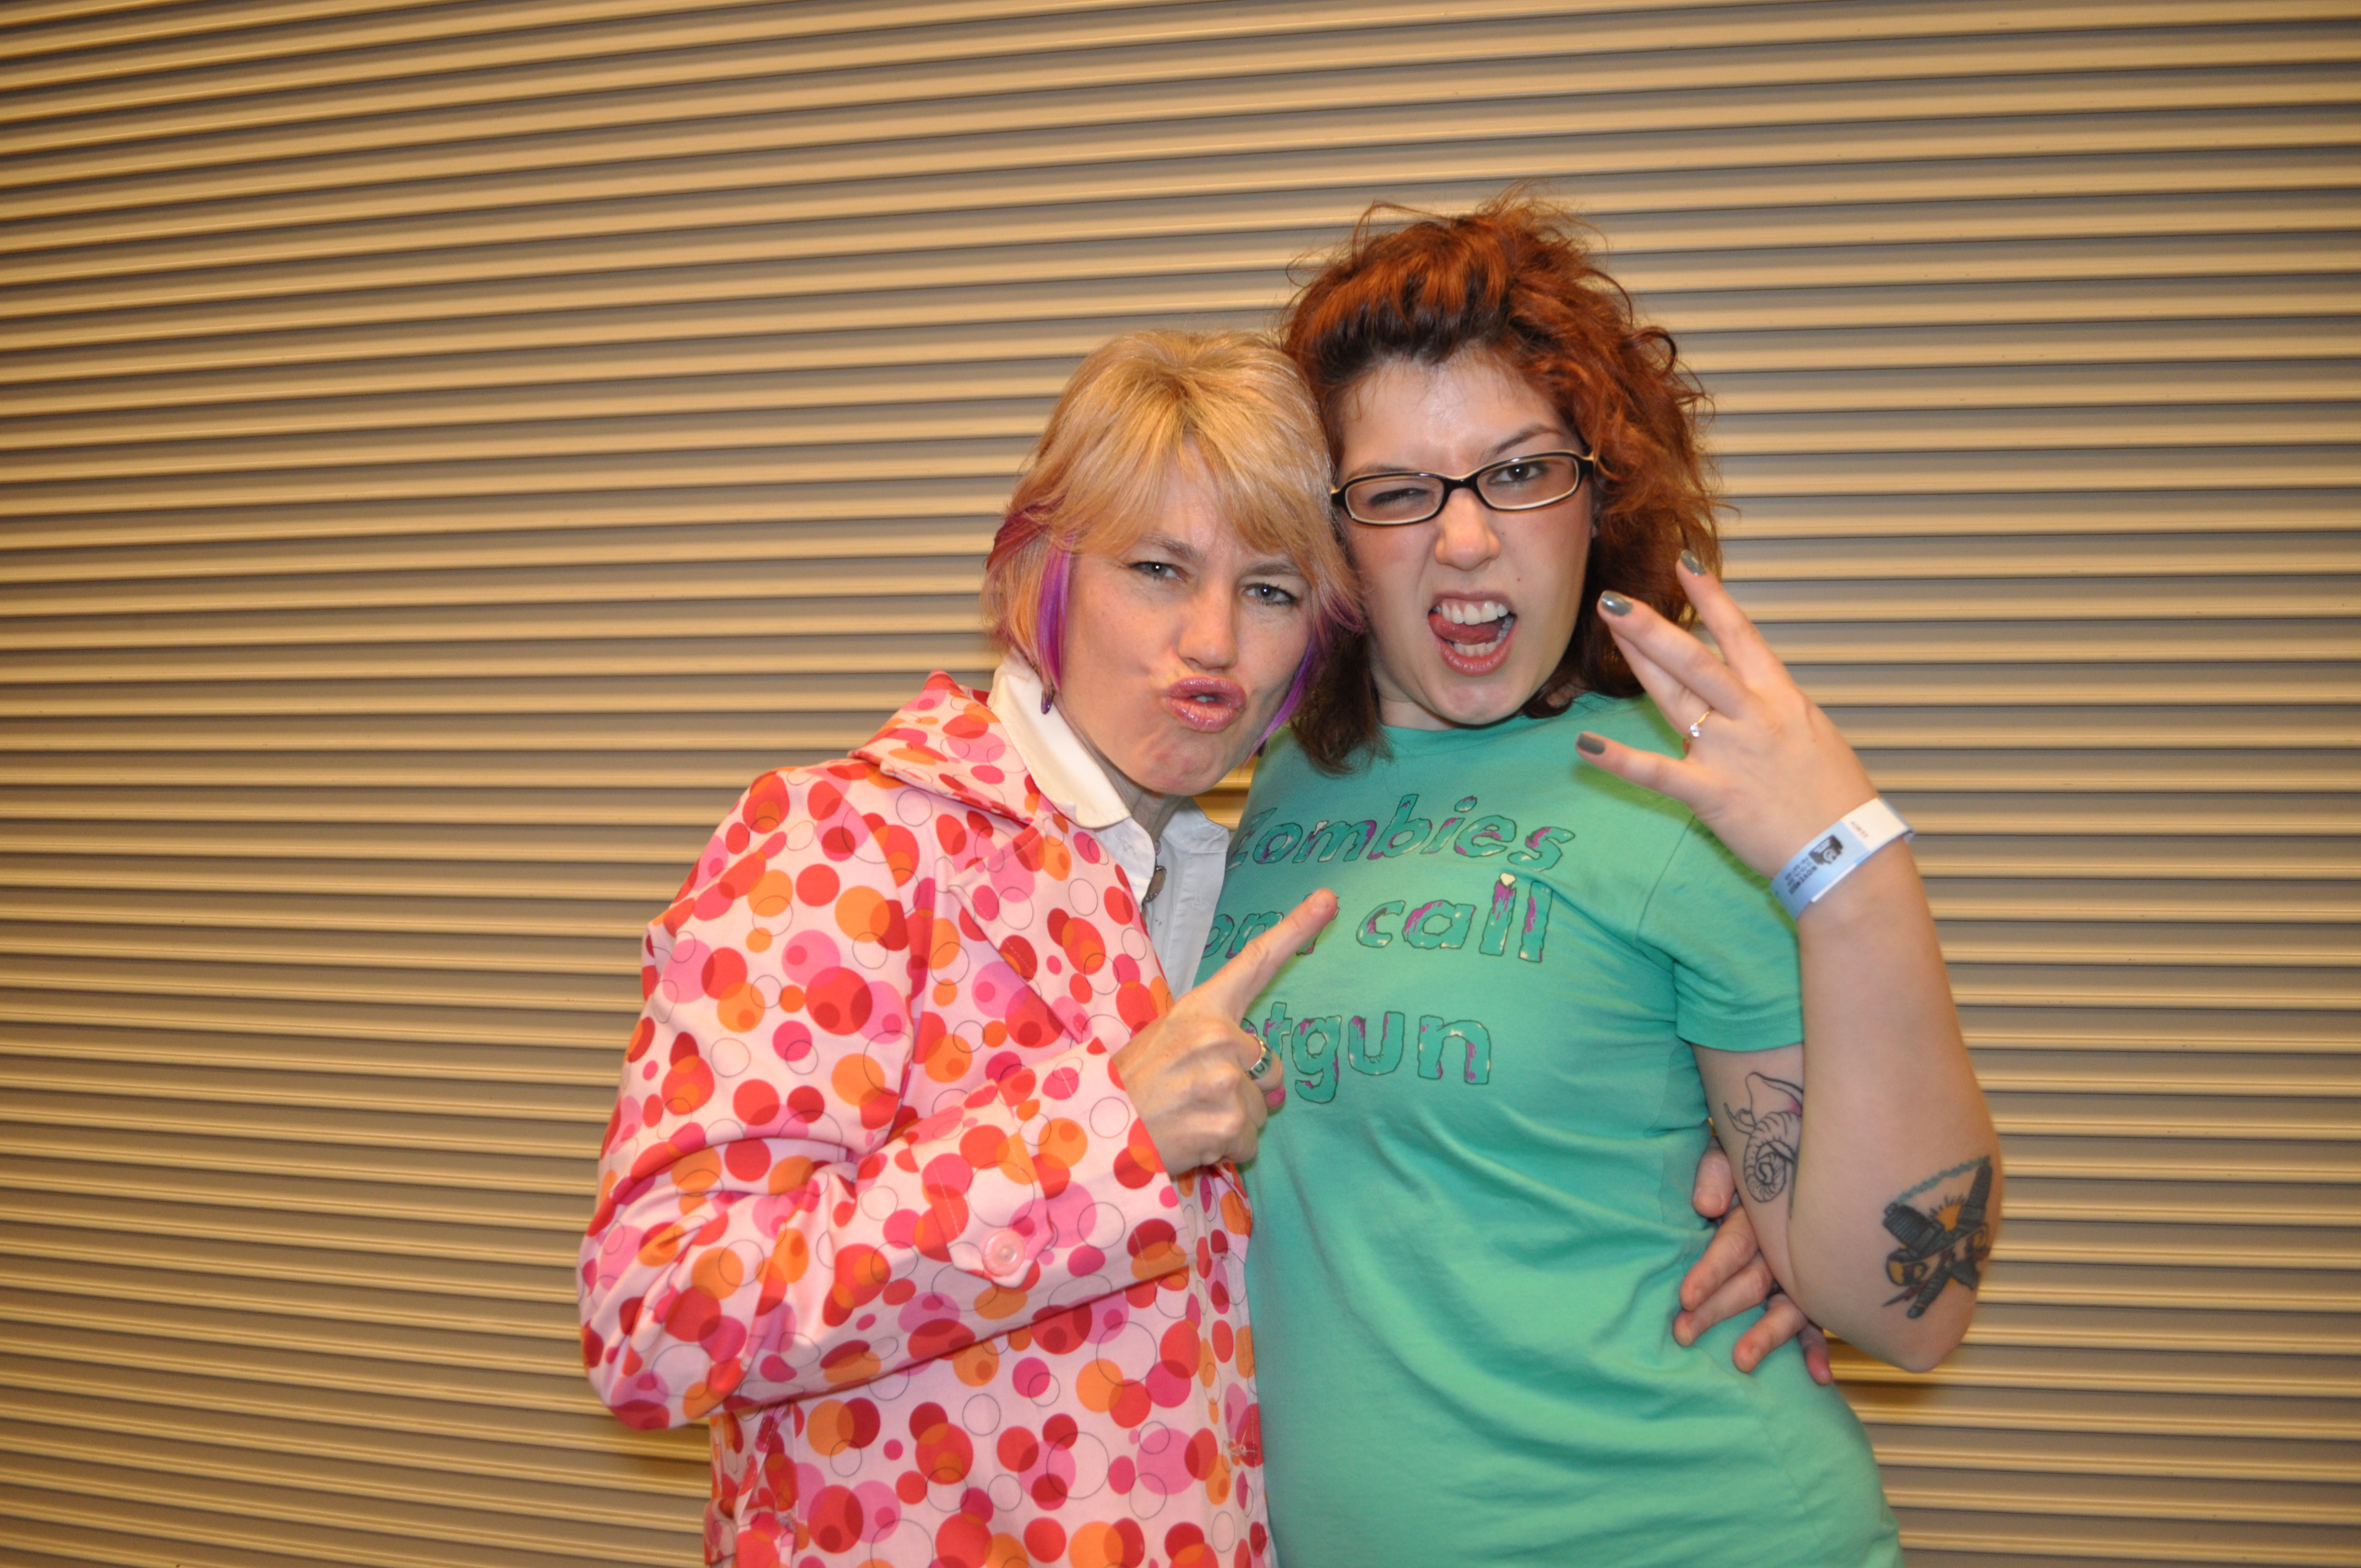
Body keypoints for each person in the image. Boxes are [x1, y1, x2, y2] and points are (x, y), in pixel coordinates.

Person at [579, 327, 1804, 1567]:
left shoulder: (1226, 878)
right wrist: (1101, 1140)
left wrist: (1718, 1182)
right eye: (1158, 568)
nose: (1212, 639)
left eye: (1269, 590)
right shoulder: (850, 840)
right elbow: (656, 1316)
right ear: (1038, 572)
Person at [1212, 195, 2003, 1567]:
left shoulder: (1684, 790)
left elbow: (1905, 1308)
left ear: (1598, 495)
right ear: (1328, 533)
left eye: (1520, 472)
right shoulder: (1274, 783)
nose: (1464, 540)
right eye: (1395, 492)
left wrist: (1853, 868)